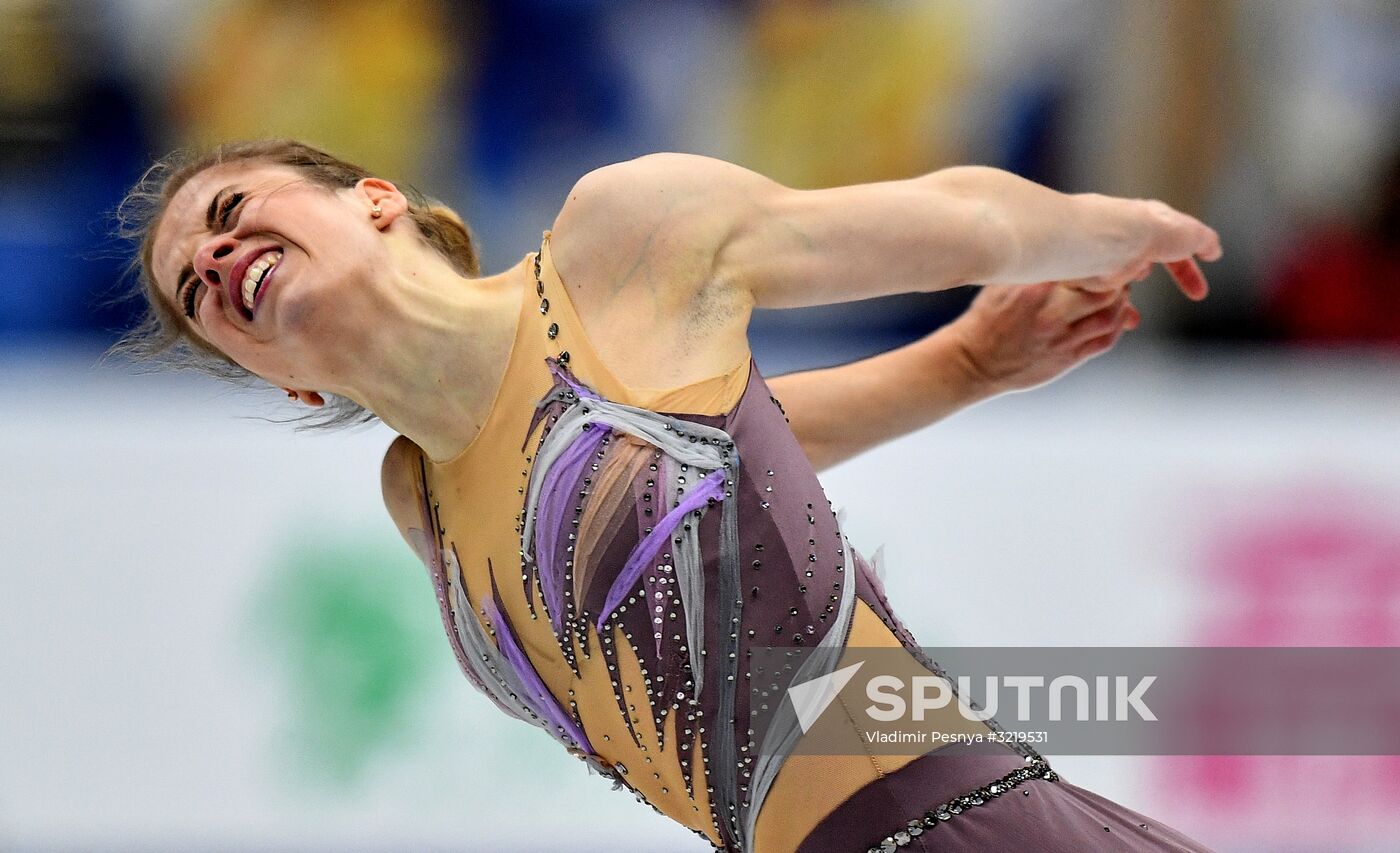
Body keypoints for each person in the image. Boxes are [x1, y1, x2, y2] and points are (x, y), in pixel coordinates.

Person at [115, 138, 1222, 852]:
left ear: (372, 200)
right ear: (281, 380)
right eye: (189, 289)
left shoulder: (619, 244)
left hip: (972, 830)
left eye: (228, 212)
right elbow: (694, 453)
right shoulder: (420, 499)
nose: (212, 262)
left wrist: (1106, 226)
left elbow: (955, 217)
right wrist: (959, 370)